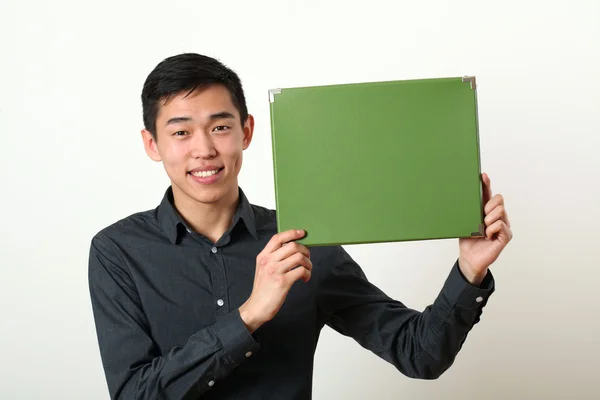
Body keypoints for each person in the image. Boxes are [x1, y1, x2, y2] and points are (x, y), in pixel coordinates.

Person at [88, 53, 513, 400]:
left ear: (247, 131)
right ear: (152, 145)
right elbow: (134, 395)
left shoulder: (303, 242)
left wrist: (468, 271)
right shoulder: (118, 252)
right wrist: (251, 314)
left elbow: (419, 354)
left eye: (220, 127)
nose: (204, 149)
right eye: (181, 132)